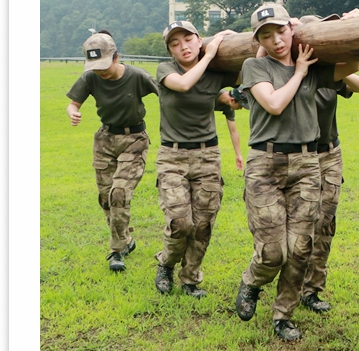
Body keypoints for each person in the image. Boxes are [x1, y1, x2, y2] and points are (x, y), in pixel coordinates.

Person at [234, 2, 359, 342]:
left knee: (301, 247)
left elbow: (354, 65)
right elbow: (274, 104)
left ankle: (283, 314)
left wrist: (353, 28)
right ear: (259, 39)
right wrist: (300, 73)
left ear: (292, 30)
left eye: (280, 31)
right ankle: (251, 281)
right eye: (266, 34)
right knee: (274, 250)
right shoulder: (254, 66)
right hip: (266, 164)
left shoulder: (313, 64)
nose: (276, 40)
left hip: (307, 165)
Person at [152, 21, 238, 298]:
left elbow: (253, 68)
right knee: (180, 221)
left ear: (199, 40)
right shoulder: (167, 71)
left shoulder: (215, 74)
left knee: (202, 224)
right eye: (175, 44)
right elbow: (184, 84)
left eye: (188, 39)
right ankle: (165, 263)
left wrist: (233, 38)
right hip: (172, 155)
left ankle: (190, 279)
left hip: (207, 155)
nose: (183, 47)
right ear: (170, 51)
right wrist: (210, 54)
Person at [66, 30, 160, 271]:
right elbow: (73, 102)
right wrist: (73, 112)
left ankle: (116, 250)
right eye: (95, 67)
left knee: (119, 193)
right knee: (106, 198)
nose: (101, 72)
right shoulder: (90, 78)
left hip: (134, 139)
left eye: (105, 65)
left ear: (117, 57)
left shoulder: (137, 76)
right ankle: (126, 239)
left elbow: (167, 94)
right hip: (105, 140)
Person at [296, 12, 359, 315]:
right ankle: (287, 283)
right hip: (298, 155)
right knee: (298, 224)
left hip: (329, 153)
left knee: (324, 223)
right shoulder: (292, 71)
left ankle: (312, 289)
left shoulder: (330, 75)